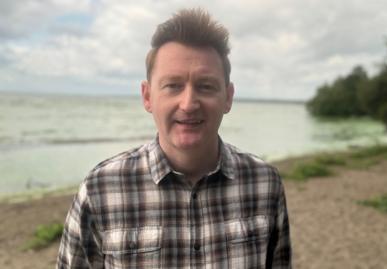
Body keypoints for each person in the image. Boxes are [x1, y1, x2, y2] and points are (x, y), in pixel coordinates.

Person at [57, 8, 291, 269]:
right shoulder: (100, 189)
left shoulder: (265, 183)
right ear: (147, 97)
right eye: (173, 85)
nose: (189, 103)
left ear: (228, 97)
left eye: (206, 86)